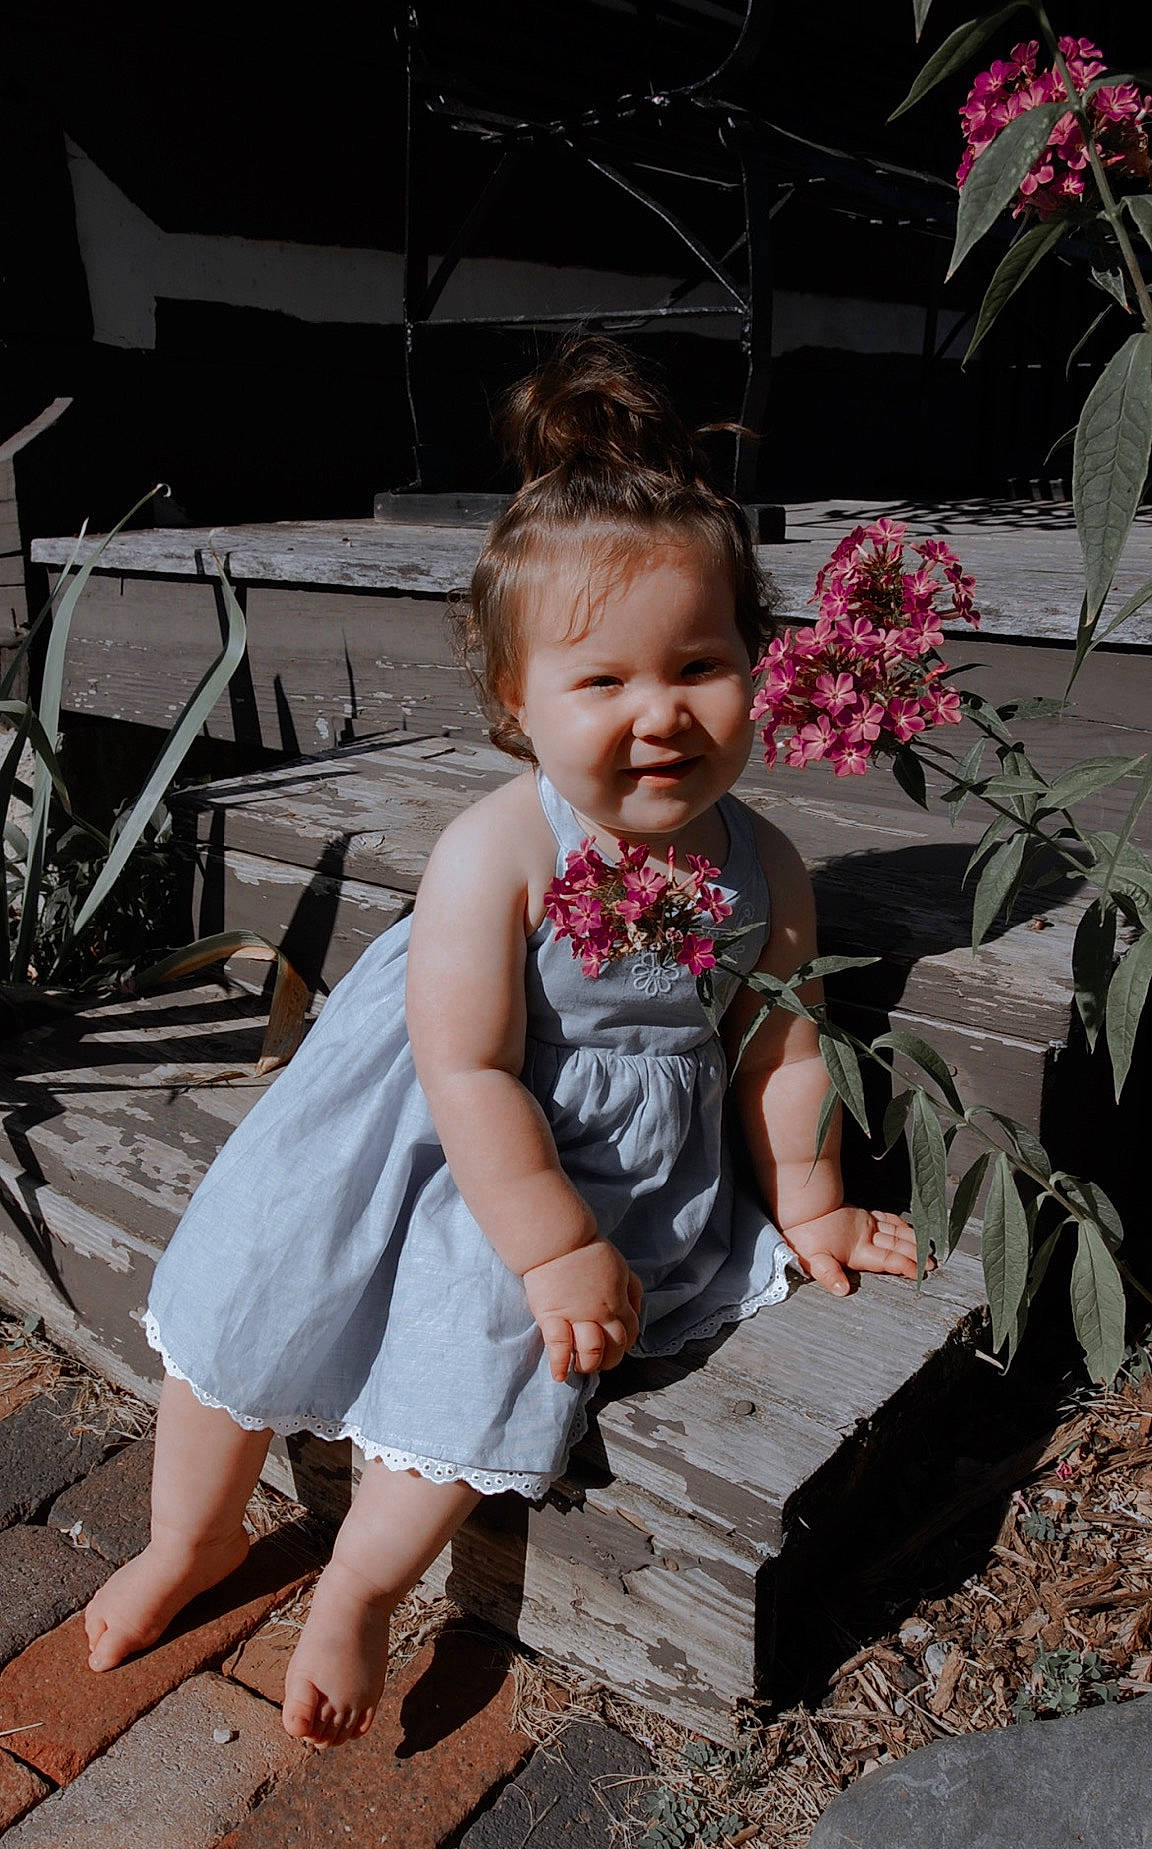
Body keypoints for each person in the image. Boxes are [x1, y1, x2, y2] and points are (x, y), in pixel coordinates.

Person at [83, 336, 920, 1747]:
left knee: (500, 1347)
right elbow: (467, 1066)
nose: (661, 713)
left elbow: (786, 1043)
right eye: (603, 684)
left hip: (595, 1159)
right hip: (432, 1121)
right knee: (254, 1271)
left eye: (701, 665)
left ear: (758, 670)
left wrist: (812, 1194)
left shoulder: (765, 864)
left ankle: (358, 1583)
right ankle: (196, 1530)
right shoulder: (499, 852)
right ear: (515, 703)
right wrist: (551, 1239)